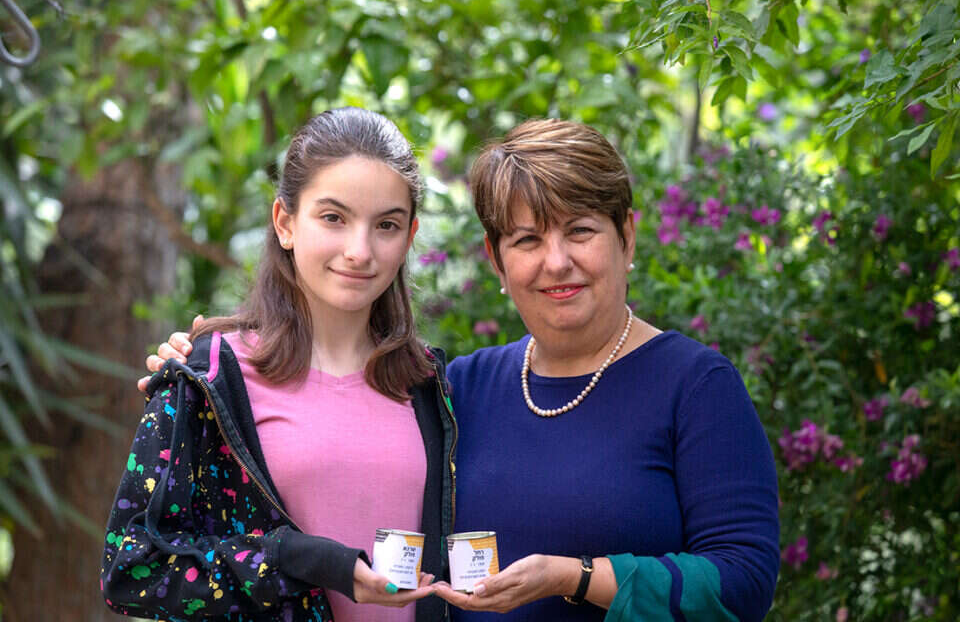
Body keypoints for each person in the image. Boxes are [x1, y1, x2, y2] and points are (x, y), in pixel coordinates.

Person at [143, 119, 780, 621]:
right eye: (527, 240)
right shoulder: (456, 389)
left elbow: (745, 582)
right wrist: (200, 374)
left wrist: (577, 576)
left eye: (581, 231)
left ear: (627, 238)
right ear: (497, 262)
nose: (556, 261)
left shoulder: (694, 386)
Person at [102, 107, 456, 622]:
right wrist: (296, 560)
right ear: (285, 222)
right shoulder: (210, 376)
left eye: (386, 225)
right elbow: (131, 568)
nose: (360, 251)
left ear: (409, 236)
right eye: (333, 218)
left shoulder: (430, 385)